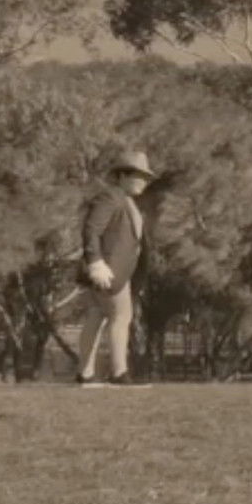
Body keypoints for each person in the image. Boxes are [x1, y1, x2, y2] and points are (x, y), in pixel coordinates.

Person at [77, 150, 155, 387]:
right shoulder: (110, 197)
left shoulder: (126, 201)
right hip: (108, 271)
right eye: (137, 175)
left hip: (113, 271)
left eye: (145, 177)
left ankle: (86, 374)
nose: (143, 181)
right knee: (121, 317)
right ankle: (119, 373)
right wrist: (95, 262)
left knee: (96, 316)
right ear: (121, 176)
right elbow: (91, 229)